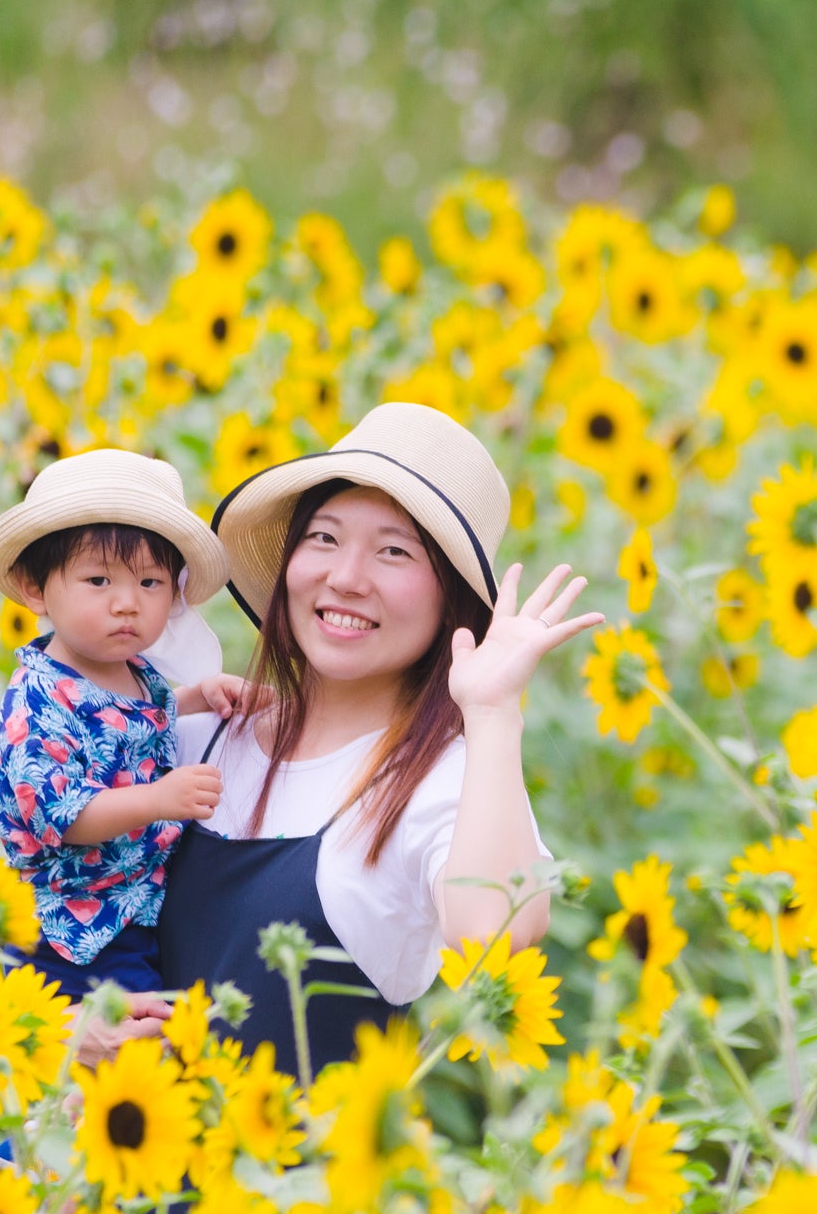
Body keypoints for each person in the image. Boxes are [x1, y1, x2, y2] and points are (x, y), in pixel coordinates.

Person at [75, 402, 604, 1078]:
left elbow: (494, 939)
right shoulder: (198, 732)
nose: (346, 577)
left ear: (451, 600)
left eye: (394, 550)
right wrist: (69, 1028)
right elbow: (50, 888)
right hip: (89, 1164)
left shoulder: (445, 782)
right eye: (323, 537)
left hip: (291, 1182)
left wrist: (495, 713)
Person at [0, 448, 233, 1007]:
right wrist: (158, 798)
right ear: (35, 588)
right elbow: (67, 816)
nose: (127, 604)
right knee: (116, 1054)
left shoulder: (131, 673)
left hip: (129, 910)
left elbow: (136, 723)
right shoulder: (37, 703)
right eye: (98, 580)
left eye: (150, 582)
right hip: (73, 930)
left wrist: (197, 697)